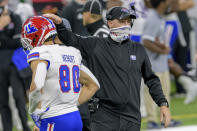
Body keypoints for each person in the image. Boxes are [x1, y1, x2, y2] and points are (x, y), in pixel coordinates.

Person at [44, 6, 171, 131]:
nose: (126, 24)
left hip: (132, 118)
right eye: (122, 21)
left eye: (128, 21)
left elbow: (151, 79)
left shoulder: (139, 49)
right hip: (104, 118)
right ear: (109, 22)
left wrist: (163, 104)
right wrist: (60, 24)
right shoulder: (95, 45)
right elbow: (71, 39)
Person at [21, 16, 100, 131]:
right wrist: (69, 105)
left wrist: (34, 112)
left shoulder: (41, 52)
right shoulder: (70, 53)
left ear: (38, 35)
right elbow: (93, 85)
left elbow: (37, 85)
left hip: (54, 119)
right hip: (75, 117)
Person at [0, 0, 31, 131]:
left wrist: (3, 40)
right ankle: (7, 128)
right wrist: (1, 27)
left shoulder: (15, 17)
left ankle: (25, 127)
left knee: (19, 98)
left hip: (14, 64)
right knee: (3, 101)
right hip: (0, 65)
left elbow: (18, 42)